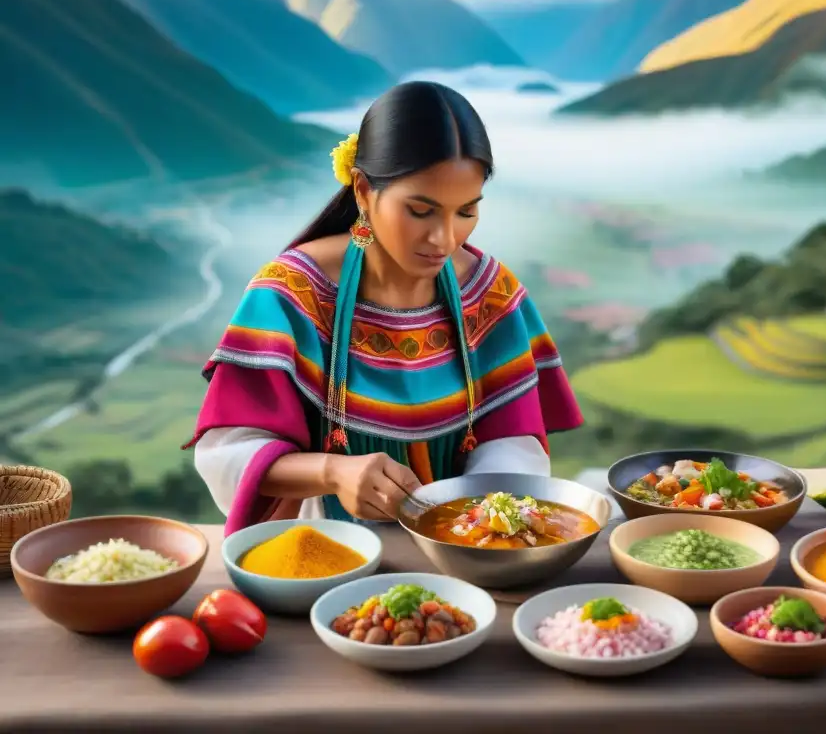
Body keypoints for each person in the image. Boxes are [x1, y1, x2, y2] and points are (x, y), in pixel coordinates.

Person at [188, 81, 584, 534]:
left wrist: (473, 519)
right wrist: (332, 473)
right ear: (362, 189)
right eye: (420, 211)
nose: (445, 238)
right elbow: (229, 454)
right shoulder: (291, 294)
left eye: (466, 211)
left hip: (468, 550)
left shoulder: (488, 292)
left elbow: (514, 439)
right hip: (333, 553)